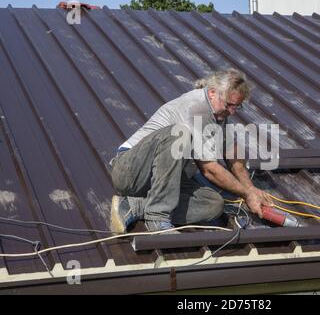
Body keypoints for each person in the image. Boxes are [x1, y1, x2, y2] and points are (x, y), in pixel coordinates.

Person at [109, 68, 273, 234]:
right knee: (180, 135)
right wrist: (246, 194)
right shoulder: (196, 107)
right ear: (212, 93)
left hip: (159, 183)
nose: (232, 111)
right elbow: (209, 169)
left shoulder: (219, 115)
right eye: (229, 105)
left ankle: (134, 206)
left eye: (237, 106)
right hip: (130, 172)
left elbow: (234, 157)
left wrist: (251, 190)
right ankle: (157, 217)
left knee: (213, 204)